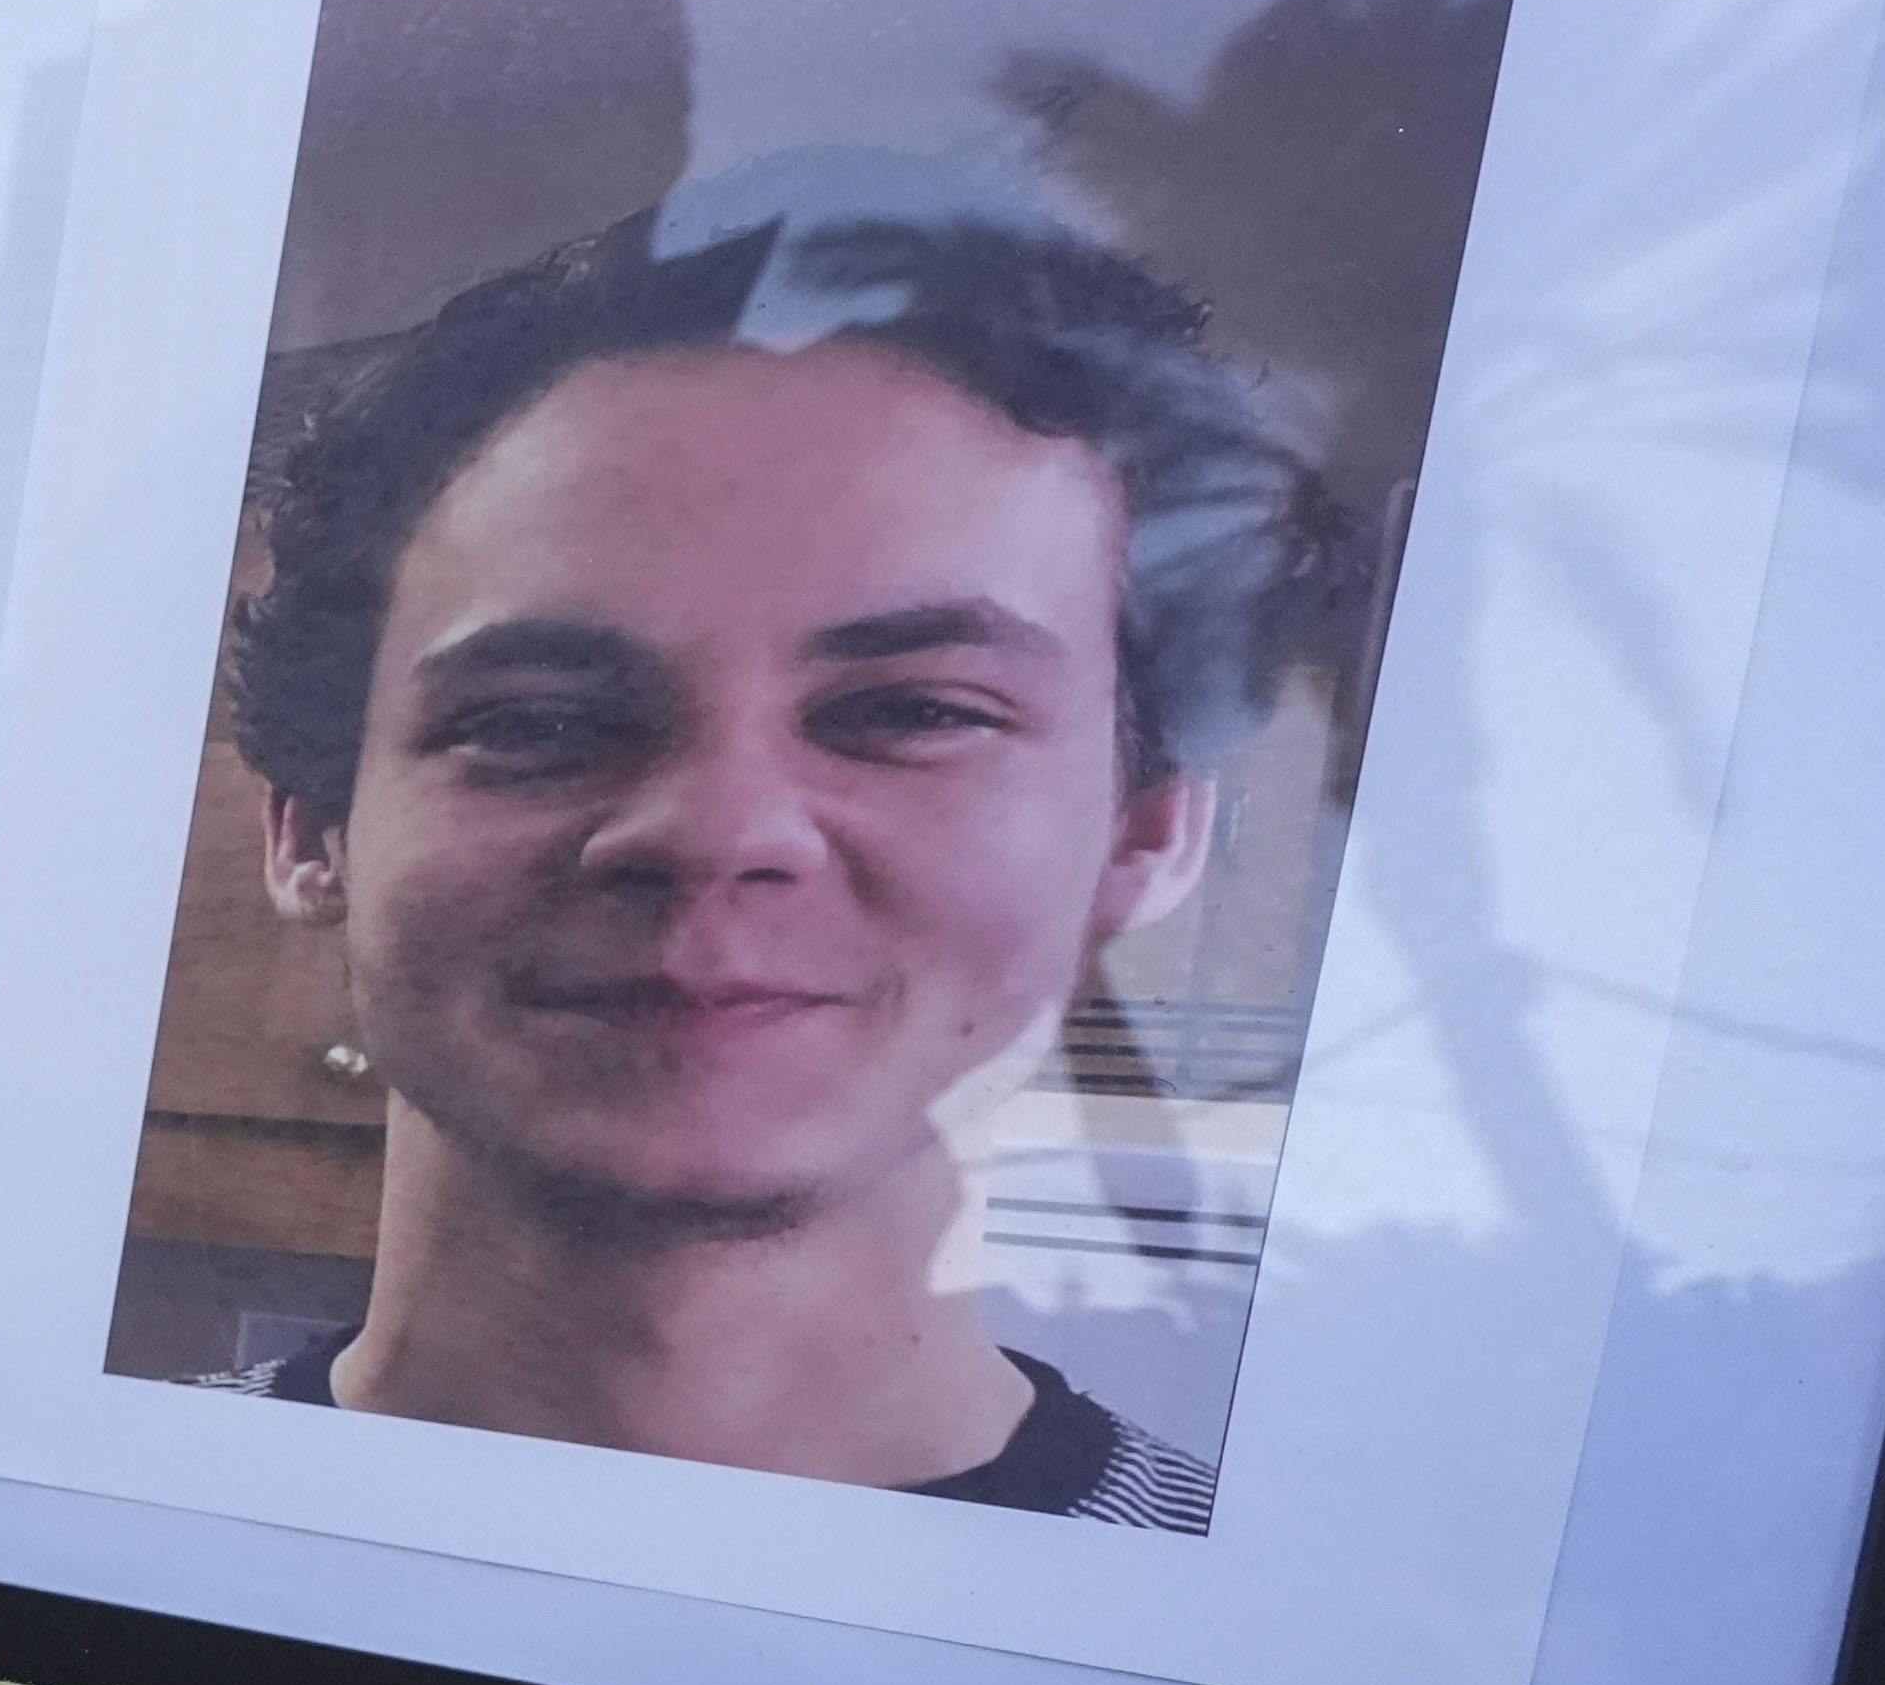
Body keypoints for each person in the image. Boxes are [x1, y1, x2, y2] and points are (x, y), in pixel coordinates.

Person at [201, 157, 1359, 1531]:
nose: (714, 828)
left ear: (1148, 829)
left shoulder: (1300, 1673)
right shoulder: (28, 1542)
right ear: (312, 828)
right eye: (535, 720)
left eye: (915, 709)